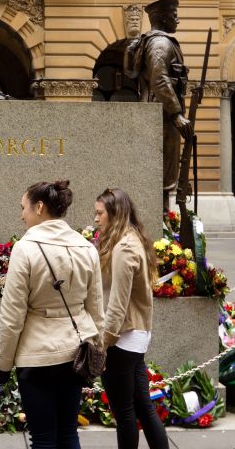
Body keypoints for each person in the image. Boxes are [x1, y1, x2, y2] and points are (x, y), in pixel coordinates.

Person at [0, 180, 104, 448]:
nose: (22, 214)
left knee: (43, 438)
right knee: (69, 432)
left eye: (24, 207)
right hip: (77, 351)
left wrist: (4, 365)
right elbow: (96, 308)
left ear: (40, 207)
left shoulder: (25, 248)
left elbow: (12, 318)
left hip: (37, 355)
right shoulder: (86, 247)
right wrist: (98, 348)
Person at [94, 188, 169, 449]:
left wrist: (103, 344)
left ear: (114, 214)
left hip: (123, 339)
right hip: (134, 337)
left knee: (125, 413)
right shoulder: (133, 239)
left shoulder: (124, 248)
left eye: (100, 213)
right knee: (143, 408)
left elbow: (117, 304)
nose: (96, 219)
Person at [139, 0, 192, 213]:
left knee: (164, 176)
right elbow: (159, 80)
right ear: (161, 17)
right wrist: (177, 113)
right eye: (174, 14)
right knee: (162, 177)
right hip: (161, 116)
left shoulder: (156, 42)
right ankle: (162, 225)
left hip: (161, 115)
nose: (177, 20)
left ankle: (164, 225)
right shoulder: (160, 44)